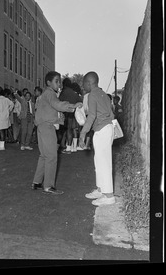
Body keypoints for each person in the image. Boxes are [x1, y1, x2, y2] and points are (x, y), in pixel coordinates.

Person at [32, 71, 82, 195]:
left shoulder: (45, 94)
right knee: (52, 156)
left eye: (59, 81)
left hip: (41, 126)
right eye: (56, 81)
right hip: (47, 127)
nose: (59, 84)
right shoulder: (50, 94)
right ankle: (48, 186)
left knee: (44, 155)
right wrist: (73, 106)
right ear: (49, 82)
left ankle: (37, 182)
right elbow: (58, 105)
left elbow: (53, 109)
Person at [79, 71, 115, 206]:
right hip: (106, 128)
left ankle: (109, 196)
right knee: (99, 161)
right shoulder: (104, 95)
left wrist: (83, 133)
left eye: (84, 84)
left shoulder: (92, 95)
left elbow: (92, 115)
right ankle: (101, 190)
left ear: (89, 83)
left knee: (103, 163)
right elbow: (111, 115)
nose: (83, 87)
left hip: (102, 130)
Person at [58, 78, 82, 154]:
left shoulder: (63, 92)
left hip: (64, 113)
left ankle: (62, 146)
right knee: (70, 130)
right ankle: (69, 146)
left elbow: (59, 102)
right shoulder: (73, 93)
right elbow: (80, 100)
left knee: (62, 131)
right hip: (72, 114)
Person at [0, 86, 14, 150]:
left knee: (0, 130)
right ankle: (0, 143)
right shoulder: (6, 99)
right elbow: (12, 104)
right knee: (3, 130)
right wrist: (9, 110)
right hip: (5, 116)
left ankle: (2, 146)